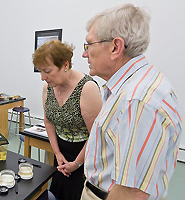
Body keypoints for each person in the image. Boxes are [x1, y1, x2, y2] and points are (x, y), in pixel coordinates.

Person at [81, 4, 182, 200]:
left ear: (115, 47)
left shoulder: (137, 100)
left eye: (89, 45)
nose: (85, 53)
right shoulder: (128, 88)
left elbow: (131, 193)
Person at [32, 40, 102, 199]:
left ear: (65, 65)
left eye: (47, 71)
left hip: (83, 157)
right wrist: (57, 153)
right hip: (61, 155)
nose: (43, 77)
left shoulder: (87, 88)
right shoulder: (48, 88)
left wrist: (76, 163)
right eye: (40, 71)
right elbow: (48, 122)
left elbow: (95, 135)